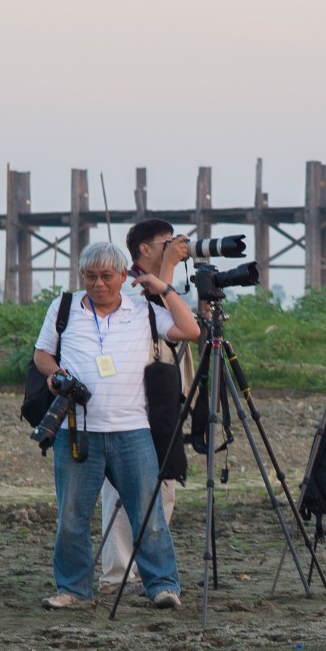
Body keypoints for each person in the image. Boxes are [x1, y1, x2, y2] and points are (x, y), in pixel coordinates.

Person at [31, 238, 199, 609]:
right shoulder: (64, 307)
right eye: (90, 276)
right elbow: (42, 353)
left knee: (147, 513)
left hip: (133, 429)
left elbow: (191, 331)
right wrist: (56, 374)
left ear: (124, 276)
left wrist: (164, 289)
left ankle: (163, 586)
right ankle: (73, 589)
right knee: (72, 516)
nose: (98, 284)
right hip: (78, 429)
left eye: (107, 276)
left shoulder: (144, 310)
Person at [99, 218, 194, 593]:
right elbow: (151, 315)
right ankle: (117, 575)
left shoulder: (165, 287)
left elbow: (184, 328)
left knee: (164, 482)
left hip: (164, 400)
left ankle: (144, 571)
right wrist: (168, 268)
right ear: (144, 250)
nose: (175, 247)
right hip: (132, 401)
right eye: (166, 243)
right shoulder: (130, 287)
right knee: (125, 488)